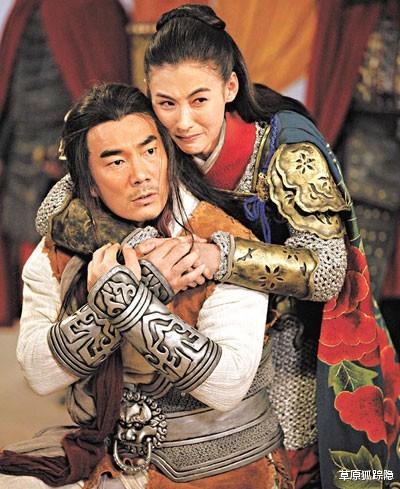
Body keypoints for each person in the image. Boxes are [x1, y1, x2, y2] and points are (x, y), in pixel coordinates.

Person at [138, 4, 400, 488]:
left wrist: (222, 256)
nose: (183, 121)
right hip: (197, 330)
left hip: (294, 340)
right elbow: (64, 207)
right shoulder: (150, 137)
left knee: (291, 466)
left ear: (230, 88)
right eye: (166, 102)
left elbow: (327, 270)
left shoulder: (289, 151)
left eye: (199, 99)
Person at [0, 83, 294, 488]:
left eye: (150, 151)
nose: (141, 174)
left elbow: (225, 384)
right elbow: (39, 373)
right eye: (116, 162)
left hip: (222, 466)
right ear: (89, 181)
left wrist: (129, 300)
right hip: (108, 458)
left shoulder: (222, 242)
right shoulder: (59, 250)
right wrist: (139, 290)